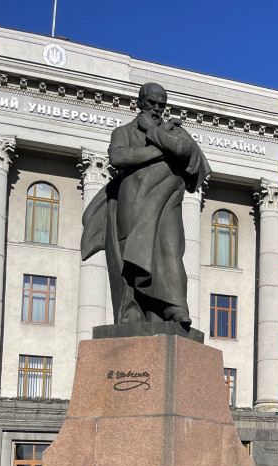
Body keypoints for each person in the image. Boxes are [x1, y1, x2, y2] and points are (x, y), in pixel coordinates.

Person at [81, 82, 212, 328]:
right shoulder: (124, 132)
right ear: (140, 102)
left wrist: (154, 132)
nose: (157, 108)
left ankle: (174, 307)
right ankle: (134, 314)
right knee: (130, 263)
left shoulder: (173, 130)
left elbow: (184, 150)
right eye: (152, 103)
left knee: (171, 251)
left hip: (164, 205)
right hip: (130, 205)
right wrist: (162, 151)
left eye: (161, 104)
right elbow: (118, 157)